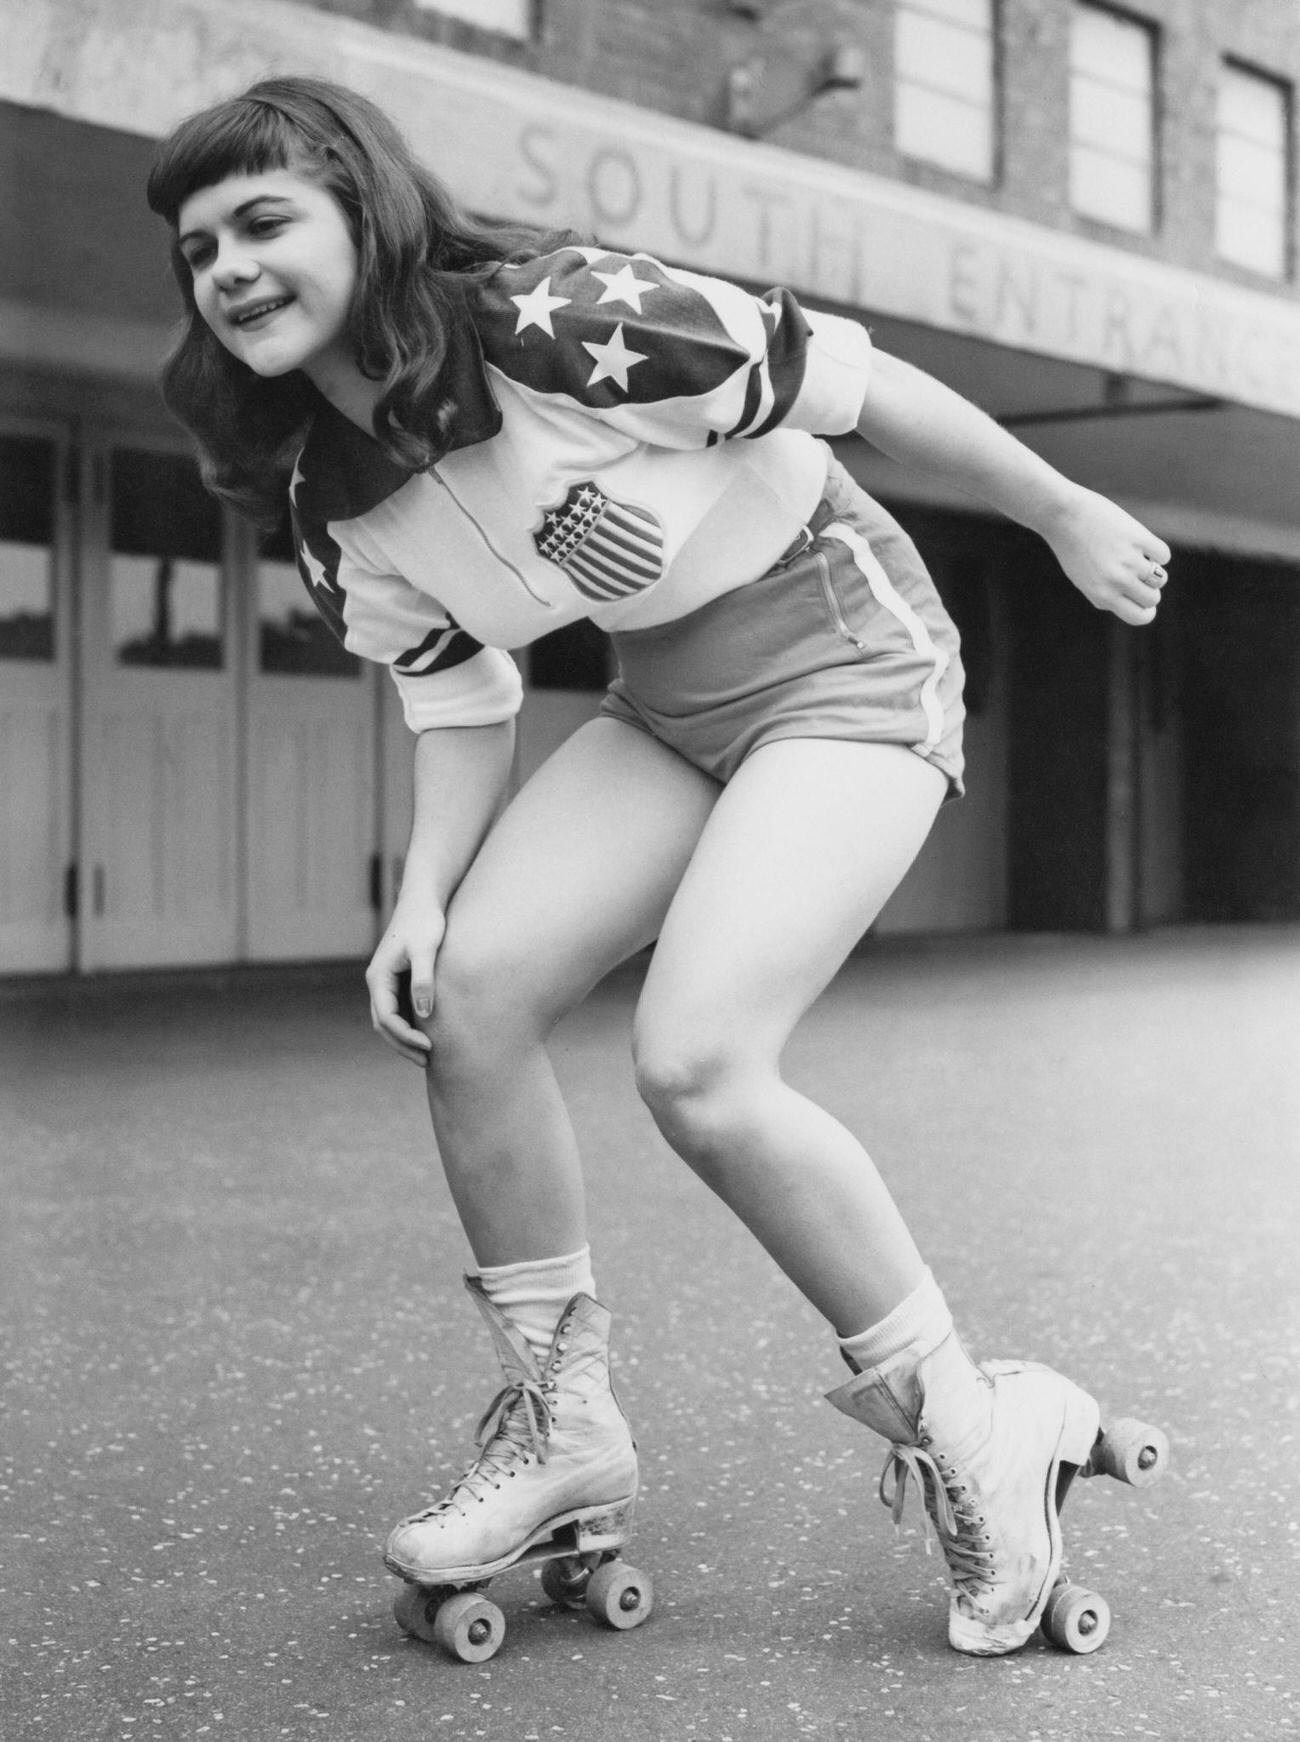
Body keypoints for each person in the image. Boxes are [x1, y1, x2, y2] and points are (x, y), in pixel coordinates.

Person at [147, 75, 1170, 1657]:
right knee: (472, 997)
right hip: (670, 701)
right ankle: (565, 1425)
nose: (227, 268)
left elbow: (858, 378)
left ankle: (977, 1423)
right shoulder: (323, 486)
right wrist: (421, 899)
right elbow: (458, 693)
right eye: (199, 246)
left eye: (263, 221)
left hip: (846, 660)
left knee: (698, 1062)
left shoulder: (557, 314)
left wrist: (1057, 508)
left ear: (364, 208)